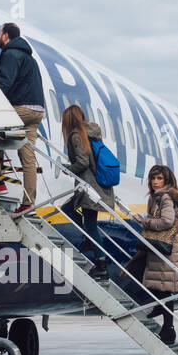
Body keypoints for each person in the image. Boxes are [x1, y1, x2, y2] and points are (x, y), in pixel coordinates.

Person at [127, 165, 178, 345]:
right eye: (153, 178)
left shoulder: (165, 197)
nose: (155, 182)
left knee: (165, 288)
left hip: (165, 246)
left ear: (166, 180)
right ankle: (165, 322)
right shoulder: (158, 197)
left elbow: (167, 221)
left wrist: (145, 221)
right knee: (161, 286)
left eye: (159, 178)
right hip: (161, 246)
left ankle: (168, 328)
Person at [0, 23, 45, 214]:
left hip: (22, 108)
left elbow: (5, 83)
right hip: (37, 112)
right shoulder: (29, 58)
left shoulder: (10, 53)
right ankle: (28, 203)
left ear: (6, 36)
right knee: (28, 159)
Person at [59, 104, 112, 277]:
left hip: (89, 187)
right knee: (82, 218)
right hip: (98, 186)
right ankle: (91, 241)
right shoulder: (92, 134)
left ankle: (102, 265)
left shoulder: (76, 136)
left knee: (89, 224)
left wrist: (67, 168)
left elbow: (83, 162)